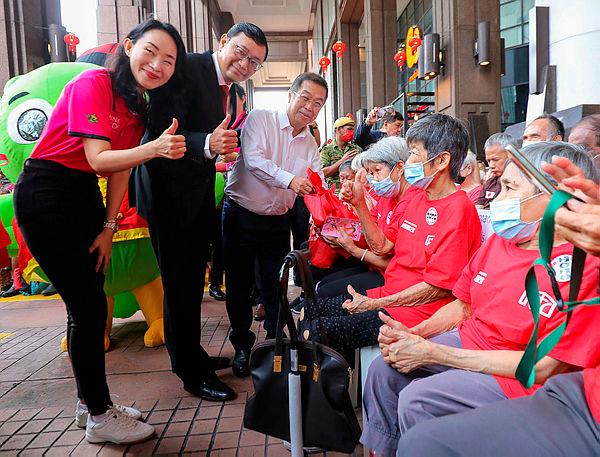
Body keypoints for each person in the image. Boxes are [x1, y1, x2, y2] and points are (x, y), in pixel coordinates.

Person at [361, 142, 600, 456]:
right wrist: (413, 337)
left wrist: (432, 352)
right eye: (500, 186)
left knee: (418, 399)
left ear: (556, 198)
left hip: (517, 372)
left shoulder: (583, 267)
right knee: (384, 371)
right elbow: (463, 305)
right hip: (471, 341)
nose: (498, 199)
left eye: (511, 188)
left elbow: (542, 367)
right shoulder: (502, 241)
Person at [14, 19, 187, 444]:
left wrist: (109, 228)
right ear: (129, 47)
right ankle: (99, 414)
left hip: (83, 198)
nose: (158, 65)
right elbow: (97, 157)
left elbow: (121, 167)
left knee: (86, 308)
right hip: (46, 191)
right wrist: (156, 148)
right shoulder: (94, 82)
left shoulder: (137, 106)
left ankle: (89, 403)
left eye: (169, 61)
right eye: (151, 51)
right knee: (89, 308)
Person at [132, 22, 268, 401]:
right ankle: (190, 373)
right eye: (241, 52)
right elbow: (159, 130)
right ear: (223, 41)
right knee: (179, 286)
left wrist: (214, 148)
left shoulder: (227, 90)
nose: (245, 63)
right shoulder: (187, 68)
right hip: (167, 196)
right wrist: (206, 143)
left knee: (191, 283)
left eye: (254, 62)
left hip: (194, 196)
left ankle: (193, 355)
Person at [299, 114, 482, 361]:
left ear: (441, 160)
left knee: (317, 332)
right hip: (387, 294)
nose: (408, 161)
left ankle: (331, 395)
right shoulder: (418, 195)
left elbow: (438, 288)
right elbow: (383, 245)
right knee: (306, 310)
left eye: (415, 153)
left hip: (413, 312)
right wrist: (359, 203)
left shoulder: (459, 210)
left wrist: (376, 303)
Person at [222, 72, 327, 377]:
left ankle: (272, 344)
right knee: (239, 285)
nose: (309, 106)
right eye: (305, 97)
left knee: (276, 285)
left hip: (277, 222)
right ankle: (242, 346)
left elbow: (314, 182)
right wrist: (292, 181)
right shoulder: (260, 119)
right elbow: (254, 161)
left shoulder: (310, 145)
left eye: (317, 103)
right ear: (291, 95)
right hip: (241, 214)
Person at [316, 136, 412, 299]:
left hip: (390, 278)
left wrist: (352, 248)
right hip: (375, 267)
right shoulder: (387, 196)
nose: (371, 179)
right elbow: (363, 230)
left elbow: (382, 248)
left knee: (325, 291)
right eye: (369, 173)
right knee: (323, 284)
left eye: (376, 171)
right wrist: (328, 227)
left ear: (400, 168)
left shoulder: (407, 201)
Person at [320, 115, 362, 189]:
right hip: (334, 192)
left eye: (353, 130)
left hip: (354, 190)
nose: (352, 133)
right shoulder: (326, 151)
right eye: (349, 129)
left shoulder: (356, 150)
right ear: (338, 129)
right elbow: (322, 173)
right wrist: (342, 161)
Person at [476, 132, 515, 209]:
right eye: (488, 161)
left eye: (495, 160)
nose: (491, 166)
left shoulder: (521, 183)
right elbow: (478, 207)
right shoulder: (489, 183)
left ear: (511, 156)